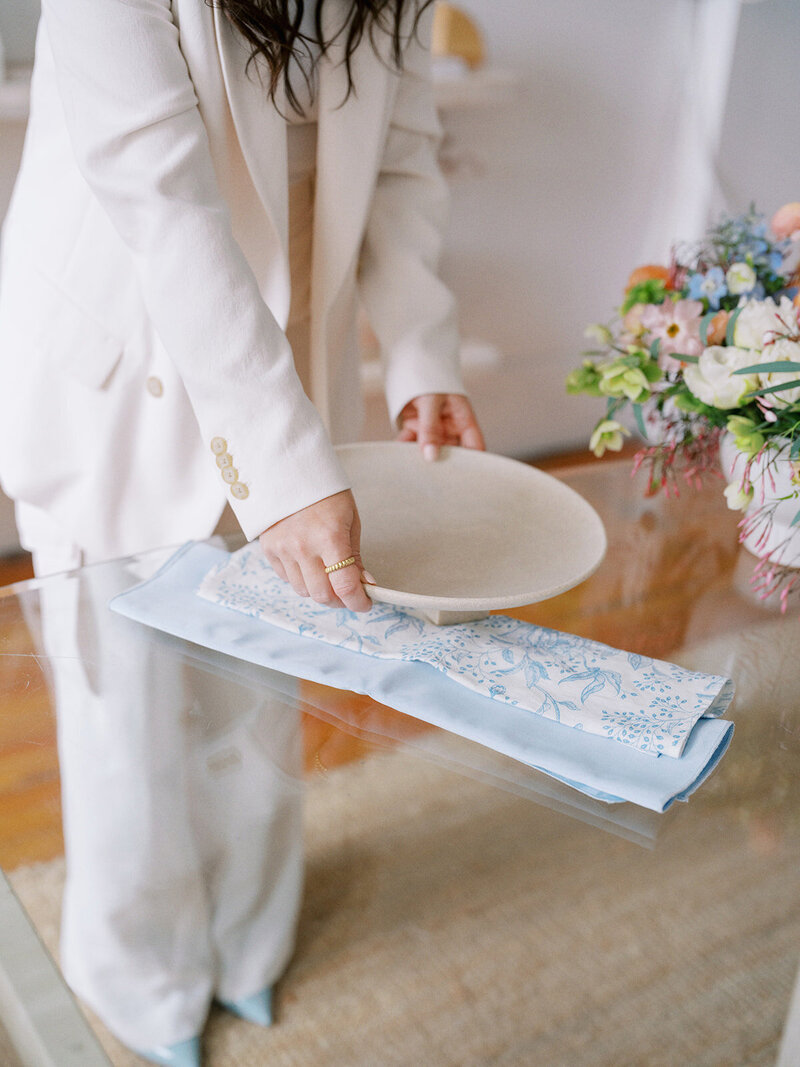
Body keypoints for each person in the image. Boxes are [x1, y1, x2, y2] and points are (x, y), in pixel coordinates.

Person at [0, 0, 484, 1062]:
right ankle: (140, 976)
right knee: (121, 707)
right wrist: (283, 467)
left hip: (293, 357)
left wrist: (419, 353)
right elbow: (165, 204)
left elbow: (402, 159)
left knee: (262, 685)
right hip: (127, 373)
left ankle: (249, 941)